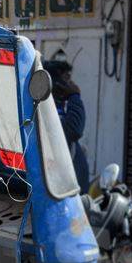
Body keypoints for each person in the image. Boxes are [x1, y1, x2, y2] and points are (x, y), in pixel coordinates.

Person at [44, 58, 90, 193]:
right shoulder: (45, 111)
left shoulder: (57, 109)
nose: (72, 84)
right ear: (56, 83)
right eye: (67, 79)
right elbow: (74, 128)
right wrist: (74, 96)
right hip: (61, 194)